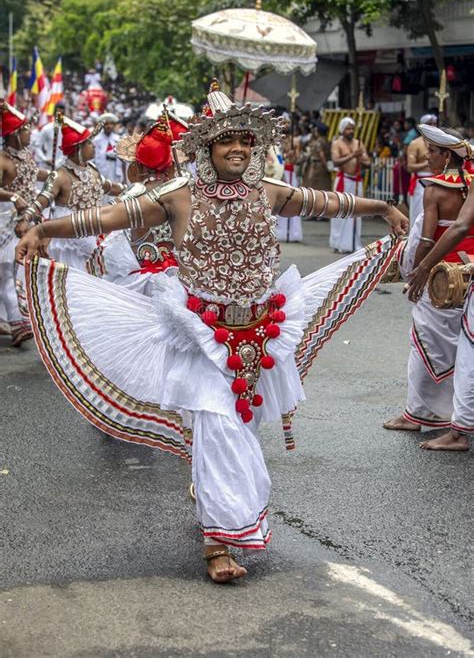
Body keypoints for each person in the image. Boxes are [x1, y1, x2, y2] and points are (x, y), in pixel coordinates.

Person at [16, 81, 408, 583]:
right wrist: (45, 230)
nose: (239, 149)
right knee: (220, 430)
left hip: (261, 335)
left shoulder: (268, 192)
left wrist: (379, 208)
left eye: (247, 141)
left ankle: (224, 511)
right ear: (206, 147)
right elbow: (111, 216)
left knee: (240, 433)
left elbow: (326, 203)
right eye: (228, 141)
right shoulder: (177, 196)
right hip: (201, 335)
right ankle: (217, 543)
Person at [384, 124, 473, 433]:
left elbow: (425, 241)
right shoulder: (470, 184)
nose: (427, 157)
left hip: (439, 278)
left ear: (447, 156)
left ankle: (417, 413)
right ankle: (457, 416)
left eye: (432, 152)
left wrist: (416, 272)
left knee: (426, 343)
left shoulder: (435, 189)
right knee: (462, 348)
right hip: (468, 275)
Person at [88, 113, 187, 293]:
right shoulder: (182, 193)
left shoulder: (134, 193)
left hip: (141, 281)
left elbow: (104, 224)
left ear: (137, 167)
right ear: (171, 165)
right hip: (179, 280)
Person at [16, 116, 125, 270]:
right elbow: (42, 200)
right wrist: (26, 218)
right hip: (67, 241)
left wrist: (134, 189)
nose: (93, 146)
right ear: (77, 149)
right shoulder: (60, 175)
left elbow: (110, 187)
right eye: (88, 143)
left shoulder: (92, 170)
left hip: (90, 232)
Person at [0, 103, 48, 345]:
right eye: (27, 128)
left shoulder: (26, 156)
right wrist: (12, 196)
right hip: (6, 222)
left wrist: (52, 176)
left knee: (22, 271)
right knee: (7, 272)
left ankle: (17, 318)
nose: (30, 132)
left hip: (28, 220)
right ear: (15, 134)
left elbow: (31, 172)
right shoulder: (2, 160)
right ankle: (18, 321)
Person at [329, 117, 371, 253]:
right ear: (342, 130)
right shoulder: (337, 143)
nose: (351, 131)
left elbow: (368, 163)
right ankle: (338, 242)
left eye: (352, 128)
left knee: (357, 211)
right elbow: (335, 161)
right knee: (341, 210)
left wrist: (360, 158)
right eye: (348, 128)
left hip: (357, 181)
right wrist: (353, 155)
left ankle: (354, 242)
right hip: (344, 181)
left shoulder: (359, 143)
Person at [406, 114, 437, 226]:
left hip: (438, 181)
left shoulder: (439, 143)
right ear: (422, 126)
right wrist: (427, 163)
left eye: (434, 124)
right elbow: (410, 167)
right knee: (418, 214)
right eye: (429, 124)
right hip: (420, 183)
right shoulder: (415, 144)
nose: (432, 126)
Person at [276, 119, 303, 242]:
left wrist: (294, 155)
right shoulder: (276, 140)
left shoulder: (296, 141)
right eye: (283, 123)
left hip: (291, 172)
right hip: (280, 173)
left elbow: (298, 159)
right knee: (281, 201)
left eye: (287, 123)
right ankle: (280, 231)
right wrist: (286, 155)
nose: (285, 126)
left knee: (295, 200)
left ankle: (294, 232)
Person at [93, 113, 123, 182]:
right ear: (103, 125)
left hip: (115, 171)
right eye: (106, 124)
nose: (108, 126)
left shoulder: (118, 139)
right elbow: (93, 158)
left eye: (111, 124)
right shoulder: (96, 140)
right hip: (101, 171)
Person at [302, 124, 332, 193]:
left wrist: (325, 166)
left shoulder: (318, 142)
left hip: (318, 167)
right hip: (325, 166)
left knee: (314, 186)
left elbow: (321, 155)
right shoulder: (327, 141)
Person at [37, 102, 66, 170]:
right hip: (47, 166)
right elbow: (37, 146)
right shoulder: (46, 129)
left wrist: (59, 163)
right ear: (54, 112)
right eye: (57, 112)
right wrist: (45, 159)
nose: (59, 115)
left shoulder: (67, 131)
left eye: (62, 113)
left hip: (62, 168)